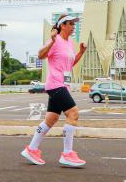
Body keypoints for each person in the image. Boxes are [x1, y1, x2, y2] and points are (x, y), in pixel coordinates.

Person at [21, 13, 87, 167]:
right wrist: (51, 41)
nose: (73, 26)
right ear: (62, 25)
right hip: (55, 84)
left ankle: (31, 149)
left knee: (51, 119)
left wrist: (81, 53)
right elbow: (40, 55)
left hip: (63, 84)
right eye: (70, 24)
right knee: (73, 113)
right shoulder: (55, 40)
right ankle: (67, 153)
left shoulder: (70, 42)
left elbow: (69, 65)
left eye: (74, 24)